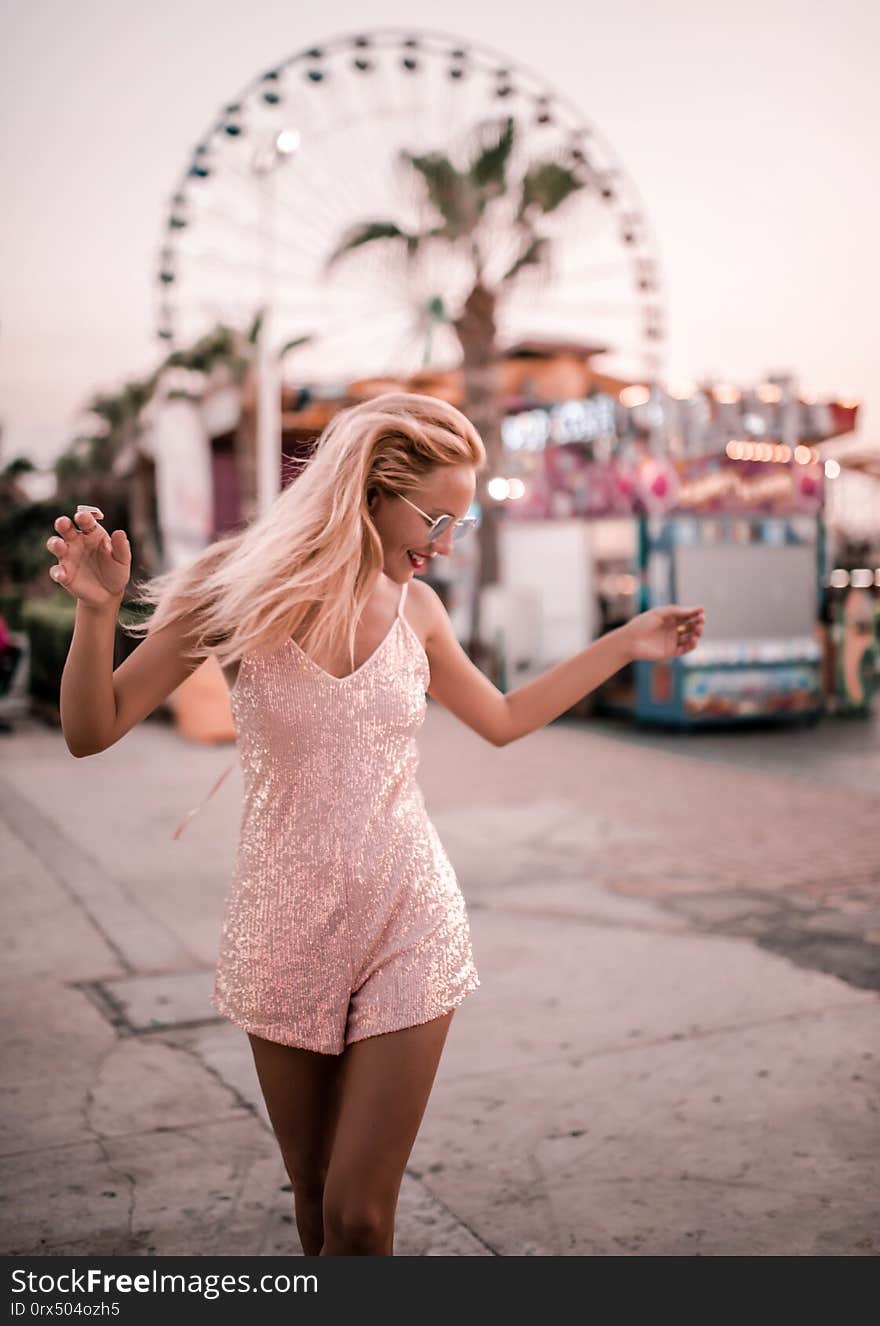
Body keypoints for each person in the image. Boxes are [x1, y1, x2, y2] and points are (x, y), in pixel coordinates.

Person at [48, 392, 705, 1256]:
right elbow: (92, 731)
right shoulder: (231, 592)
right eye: (437, 517)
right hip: (281, 924)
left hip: (409, 914)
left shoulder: (419, 613)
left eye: (459, 524)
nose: (444, 544)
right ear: (368, 491)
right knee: (317, 1201)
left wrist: (625, 644)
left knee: (361, 1216)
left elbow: (503, 718)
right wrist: (98, 616)